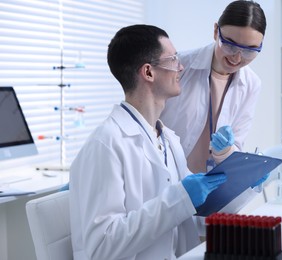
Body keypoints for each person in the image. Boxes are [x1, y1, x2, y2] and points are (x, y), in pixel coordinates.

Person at [69, 24, 227, 260]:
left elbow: (193, 213)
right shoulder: (106, 144)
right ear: (149, 72)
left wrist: (245, 183)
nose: (181, 67)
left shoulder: (168, 139)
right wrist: (180, 199)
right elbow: (101, 247)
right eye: (173, 59)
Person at [160, 0, 267, 174]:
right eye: (230, 45)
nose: (237, 58)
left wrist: (226, 152)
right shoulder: (180, 66)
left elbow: (237, 145)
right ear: (216, 31)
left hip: (214, 184)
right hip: (168, 182)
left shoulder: (251, 83)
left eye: (250, 50)